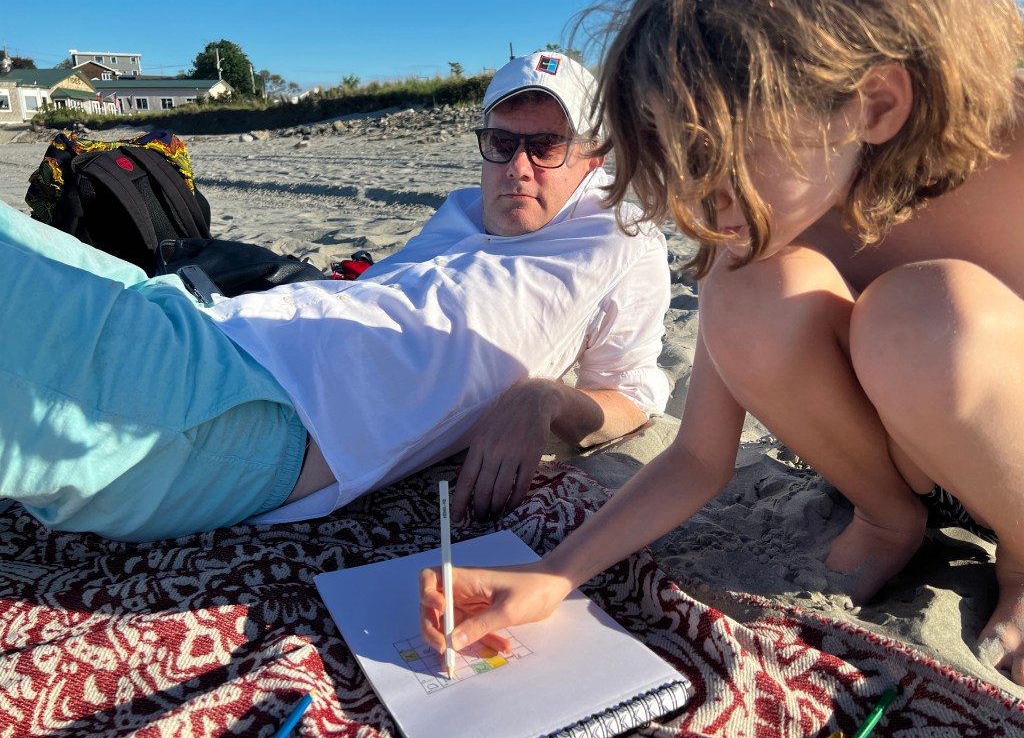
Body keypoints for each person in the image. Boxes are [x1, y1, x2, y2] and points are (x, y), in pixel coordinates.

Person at [420, 0, 1024, 687]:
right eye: (676, 159)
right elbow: (700, 456)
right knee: (743, 285)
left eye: (723, 156)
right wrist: (554, 575)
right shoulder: (754, 223)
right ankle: (887, 517)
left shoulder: (1006, 150)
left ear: (876, 103)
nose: (696, 200)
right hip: (911, 465)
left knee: (921, 311)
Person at [0, 51, 670, 542]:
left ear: (593, 157)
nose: (518, 167)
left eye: (547, 145)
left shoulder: (618, 238)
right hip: (212, 329)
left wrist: (544, 397)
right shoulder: (463, 211)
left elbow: (635, 395)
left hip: (249, 416)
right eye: (501, 143)